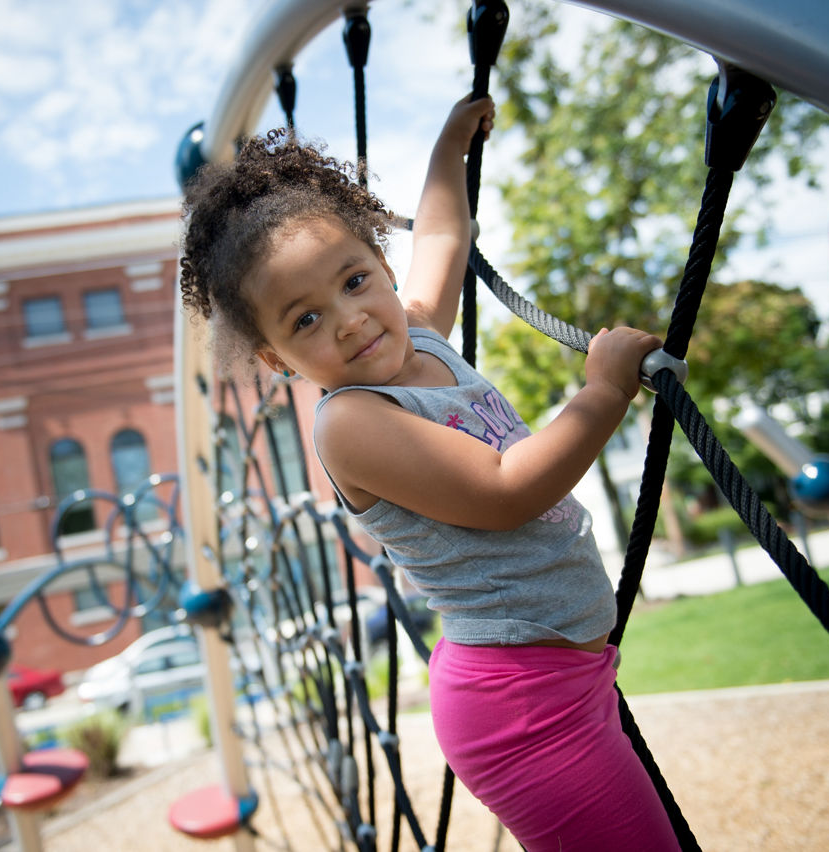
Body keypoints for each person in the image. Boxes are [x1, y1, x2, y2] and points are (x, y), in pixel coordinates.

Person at [179, 95, 681, 851]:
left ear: (381, 265)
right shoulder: (351, 422)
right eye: (304, 319)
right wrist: (604, 390)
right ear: (278, 359)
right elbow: (508, 491)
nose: (348, 319)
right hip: (522, 709)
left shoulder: (419, 337)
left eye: (353, 281)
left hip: (564, 674)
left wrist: (450, 146)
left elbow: (445, 231)